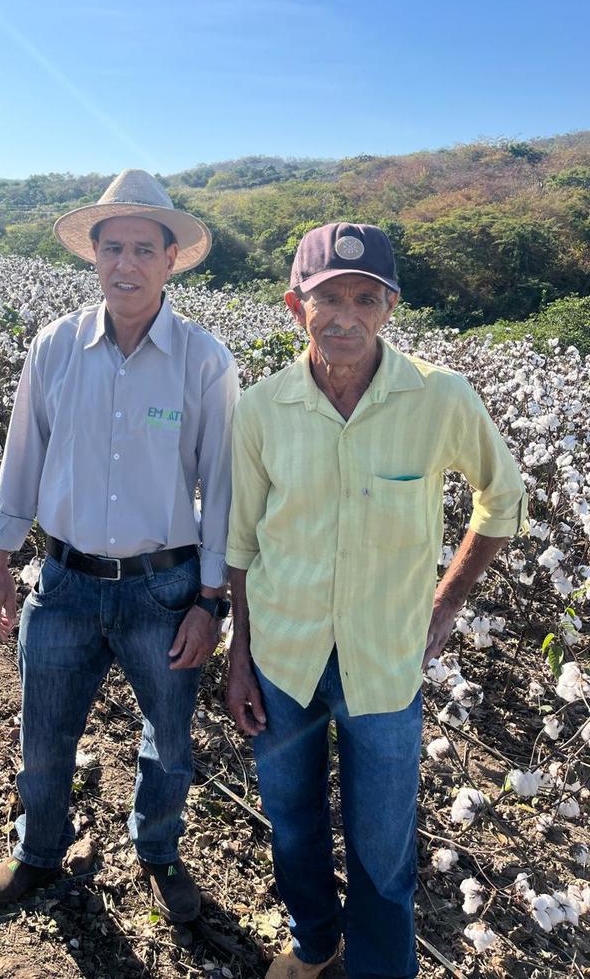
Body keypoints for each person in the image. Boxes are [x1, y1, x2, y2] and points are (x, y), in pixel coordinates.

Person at [225, 223, 526, 978]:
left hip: (386, 666)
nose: (346, 316)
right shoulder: (262, 409)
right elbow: (239, 544)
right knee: (292, 826)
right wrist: (238, 656)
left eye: (365, 298)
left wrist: (448, 600)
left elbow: (503, 497)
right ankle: (313, 944)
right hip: (284, 660)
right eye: (328, 298)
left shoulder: (440, 397)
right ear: (297, 307)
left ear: (390, 306)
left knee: (383, 850)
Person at [0, 169, 238, 922]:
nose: (127, 263)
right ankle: (38, 849)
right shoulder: (55, 347)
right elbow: (20, 458)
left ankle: (157, 853)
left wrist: (210, 603)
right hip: (63, 580)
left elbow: (220, 491)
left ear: (171, 259)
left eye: (143, 249)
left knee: (170, 743)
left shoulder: (205, 361)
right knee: (44, 730)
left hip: (165, 588)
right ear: (93, 254)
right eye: (112, 246)